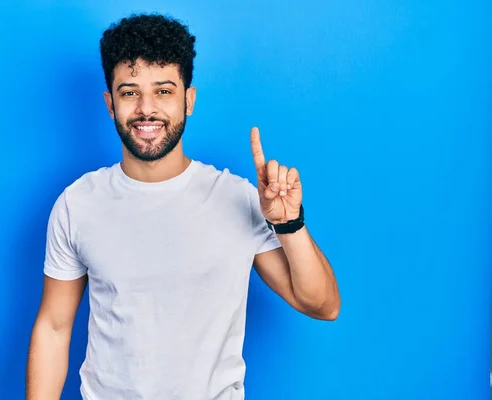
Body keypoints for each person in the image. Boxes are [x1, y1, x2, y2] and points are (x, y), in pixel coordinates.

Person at [26, 13, 340, 400]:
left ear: (188, 100)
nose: (146, 109)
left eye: (163, 91)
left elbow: (322, 304)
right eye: (129, 92)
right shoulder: (78, 204)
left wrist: (289, 224)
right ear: (110, 103)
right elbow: (55, 327)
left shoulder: (237, 197)